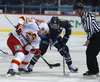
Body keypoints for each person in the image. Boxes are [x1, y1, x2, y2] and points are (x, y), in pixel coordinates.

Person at [73, 2, 100, 78]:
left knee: (90, 53)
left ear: (79, 10)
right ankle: (95, 70)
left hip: (97, 35)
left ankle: (92, 72)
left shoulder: (87, 16)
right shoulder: (84, 16)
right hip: (96, 35)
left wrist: (88, 39)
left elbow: (90, 29)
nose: (75, 13)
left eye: (75, 11)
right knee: (92, 53)